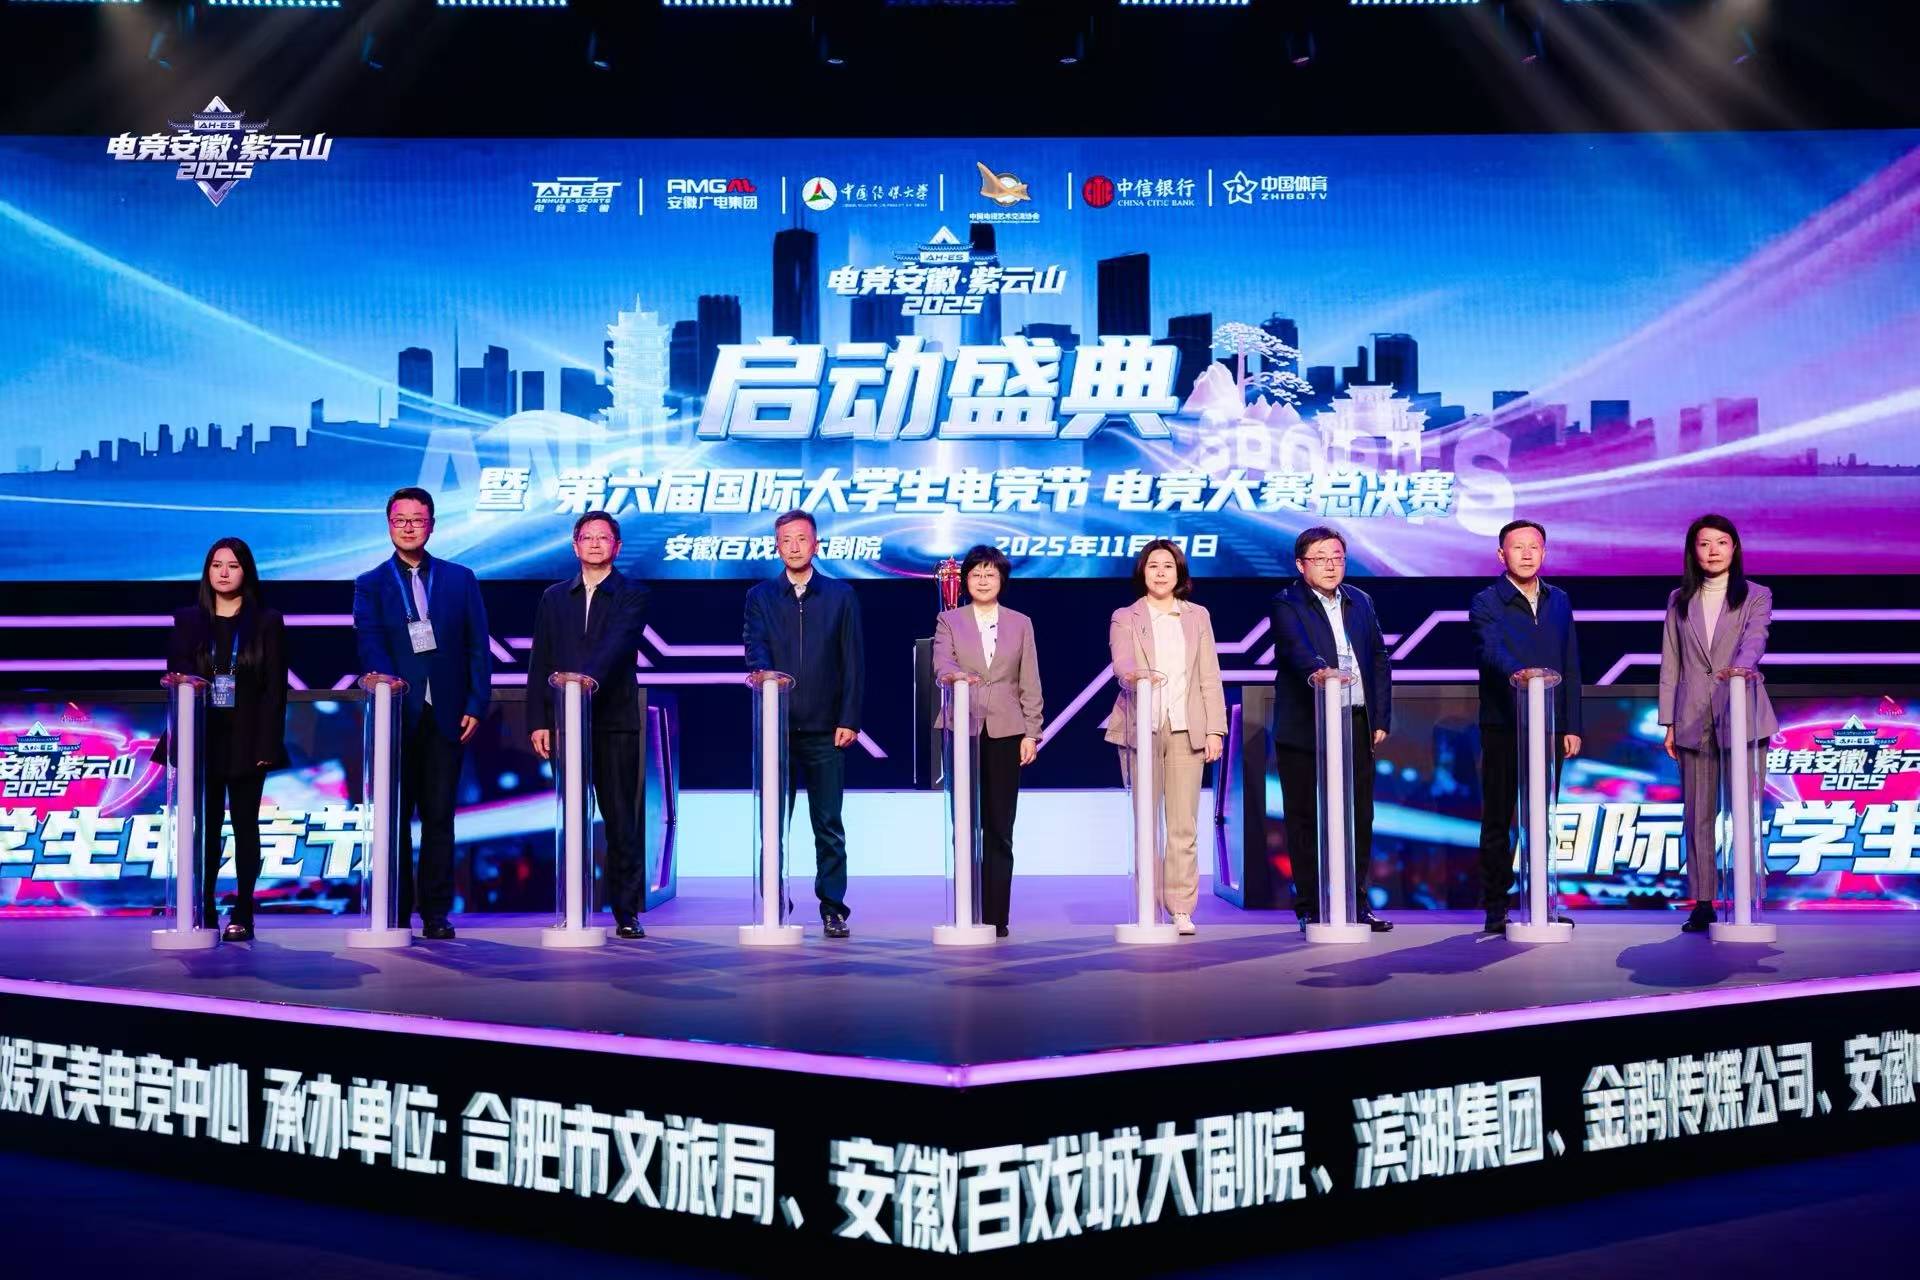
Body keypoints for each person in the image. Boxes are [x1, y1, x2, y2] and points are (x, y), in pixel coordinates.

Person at [351, 487, 491, 940]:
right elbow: (370, 643)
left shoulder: (460, 578)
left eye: (417, 519)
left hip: (448, 713)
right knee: (395, 819)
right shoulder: (371, 583)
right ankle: (395, 909)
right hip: (397, 715)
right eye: (400, 519)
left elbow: (477, 645)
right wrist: (388, 689)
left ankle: (436, 913)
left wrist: (476, 703)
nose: (409, 527)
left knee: (439, 818)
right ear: (389, 524)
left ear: (432, 525)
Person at [527, 510, 653, 940]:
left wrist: (583, 682)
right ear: (574, 545)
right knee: (573, 819)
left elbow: (618, 646)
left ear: (617, 547)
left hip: (613, 722)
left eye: (604, 538)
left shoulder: (632, 594)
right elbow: (540, 659)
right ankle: (572, 907)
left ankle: (626, 912)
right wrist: (540, 719)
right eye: (587, 537)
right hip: (565, 725)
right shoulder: (554, 597)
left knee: (620, 820)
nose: (595, 544)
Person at [742, 510, 865, 939]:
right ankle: (774, 902)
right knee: (773, 824)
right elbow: (754, 647)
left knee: (828, 826)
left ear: (816, 544)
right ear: (776, 546)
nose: (793, 547)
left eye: (801, 539)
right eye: (786, 540)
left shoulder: (840, 595)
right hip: (775, 729)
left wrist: (849, 718)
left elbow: (853, 661)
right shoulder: (760, 596)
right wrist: (764, 676)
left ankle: (833, 908)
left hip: (826, 730)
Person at [1268, 526, 1394, 933]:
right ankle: (1310, 906)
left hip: (1354, 720)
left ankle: (1356, 903)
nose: (1330, 566)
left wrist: (1379, 717)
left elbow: (1378, 659)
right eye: (1320, 558)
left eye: (1337, 557)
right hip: (1306, 724)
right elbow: (1296, 650)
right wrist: (1321, 673)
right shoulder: (1287, 602)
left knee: (1359, 816)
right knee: (1304, 816)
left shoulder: (1361, 600)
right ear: (1300, 564)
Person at [164, 538, 288, 942]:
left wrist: (268, 744)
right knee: (206, 827)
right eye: (216, 565)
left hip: (249, 739)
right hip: (202, 738)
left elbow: (275, 690)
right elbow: (178, 675)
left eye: (232, 565)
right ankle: (203, 907)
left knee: (245, 826)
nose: (223, 572)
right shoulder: (188, 620)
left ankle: (243, 910)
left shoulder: (267, 621)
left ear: (245, 572)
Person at [1103, 539, 1228, 937]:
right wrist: (1134, 676)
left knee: (1183, 827)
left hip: (1186, 729)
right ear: (1143, 572)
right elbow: (1122, 663)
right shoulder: (1126, 616)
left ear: (1179, 574)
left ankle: (1181, 908)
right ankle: (1147, 904)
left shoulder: (1197, 616)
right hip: (1142, 729)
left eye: (1168, 566)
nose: (1160, 572)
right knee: (1147, 824)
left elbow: (1209, 675)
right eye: (1153, 565)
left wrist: (1214, 729)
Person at [1659, 514, 1776, 934]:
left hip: (1743, 712)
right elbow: (1671, 662)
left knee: (1745, 810)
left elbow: (1756, 639)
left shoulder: (1756, 595)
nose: (1713, 551)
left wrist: (1739, 672)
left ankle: (1747, 896)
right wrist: (1669, 721)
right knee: (1698, 815)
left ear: (1734, 548)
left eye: (1722, 542)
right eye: (1704, 543)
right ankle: (1704, 901)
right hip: (1692, 717)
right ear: (1693, 551)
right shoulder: (1679, 599)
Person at [1470, 519, 1583, 935]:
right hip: (1503, 725)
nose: (1527, 554)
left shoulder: (1559, 600)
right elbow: (1491, 651)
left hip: (1549, 727)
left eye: (1534, 547)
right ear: (1501, 555)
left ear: (1544, 553)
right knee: (1499, 817)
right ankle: (1496, 906)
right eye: (1517, 547)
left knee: (1543, 817)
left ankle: (1542, 902)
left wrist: (1571, 724)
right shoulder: (1486, 601)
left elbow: (1570, 662)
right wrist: (1521, 673)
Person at [932, 544, 1044, 939]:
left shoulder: (1020, 623)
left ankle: (996, 915)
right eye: (976, 574)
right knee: (965, 824)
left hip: (1006, 731)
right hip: (961, 729)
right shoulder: (949, 620)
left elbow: (1029, 681)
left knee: (999, 826)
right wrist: (956, 677)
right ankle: (967, 909)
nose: (982, 580)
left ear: (1002, 580)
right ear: (965, 580)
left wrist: (1032, 732)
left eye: (990, 574)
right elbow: (941, 664)